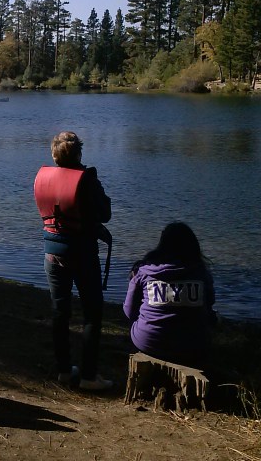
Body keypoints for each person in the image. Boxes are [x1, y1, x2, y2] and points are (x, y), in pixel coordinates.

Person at [34, 131, 113, 390]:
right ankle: (89, 376)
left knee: (60, 313)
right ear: (78, 153)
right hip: (82, 255)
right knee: (92, 313)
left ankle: (65, 371)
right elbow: (105, 213)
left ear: (54, 154)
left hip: (51, 254)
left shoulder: (44, 177)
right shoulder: (87, 180)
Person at [123, 222, 217, 368]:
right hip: (193, 345)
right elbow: (209, 304)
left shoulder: (144, 272)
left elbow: (129, 311)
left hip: (149, 342)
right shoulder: (202, 273)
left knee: (136, 320)